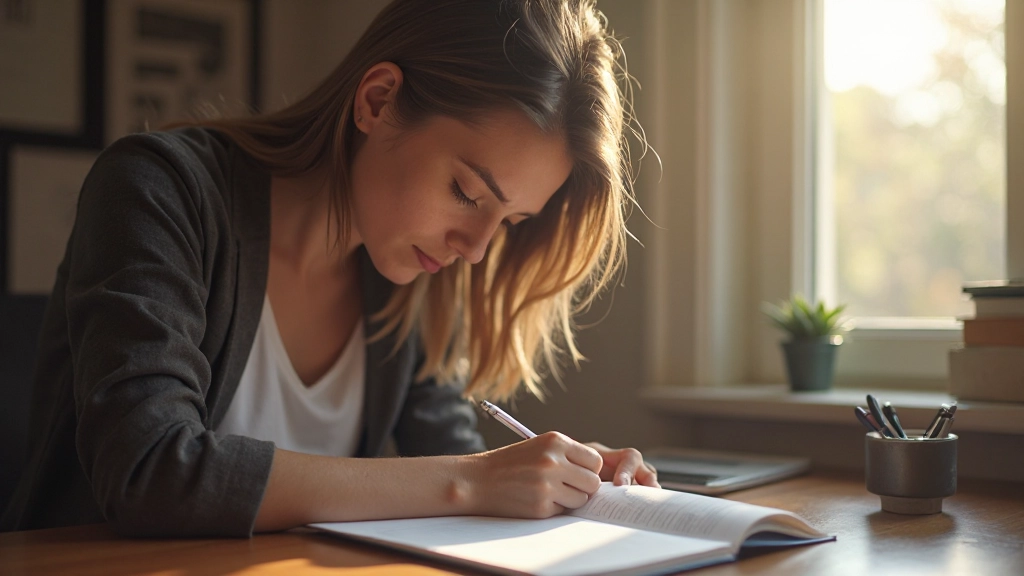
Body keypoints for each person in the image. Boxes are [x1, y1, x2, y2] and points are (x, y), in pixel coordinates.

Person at [1, 0, 659, 537]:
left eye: (510, 221)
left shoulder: (408, 275)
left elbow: (449, 453)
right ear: (377, 100)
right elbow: (149, 469)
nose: (478, 248)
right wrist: (474, 479)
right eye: (466, 191)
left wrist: (568, 484)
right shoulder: (160, 189)